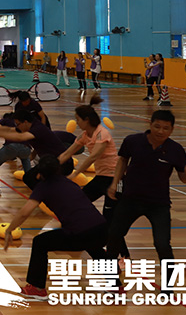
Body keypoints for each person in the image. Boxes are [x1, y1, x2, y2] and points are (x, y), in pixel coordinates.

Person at [1, 154, 110, 300]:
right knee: (93, 245)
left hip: (79, 232)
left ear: (39, 173)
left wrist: (9, 230)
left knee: (40, 242)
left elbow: (24, 213)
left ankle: (37, 288)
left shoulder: (43, 187)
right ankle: (116, 285)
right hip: (102, 228)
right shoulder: (69, 182)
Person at [106, 110, 186, 266]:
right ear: (150, 125)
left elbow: (183, 178)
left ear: (172, 130)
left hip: (158, 204)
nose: (161, 131)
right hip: (130, 200)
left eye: (166, 128)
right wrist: (115, 183)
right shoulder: (133, 141)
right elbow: (123, 160)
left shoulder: (175, 149)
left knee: (162, 244)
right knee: (114, 237)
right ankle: (110, 277)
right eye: (157, 126)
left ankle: (169, 282)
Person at [58, 96, 129, 260]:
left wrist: (75, 173)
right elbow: (67, 153)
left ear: (87, 120)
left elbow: (93, 157)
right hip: (101, 178)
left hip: (115, 179)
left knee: (111, 220)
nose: (76, 123)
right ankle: (79, 233)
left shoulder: (102, 134)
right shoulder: (85, 135)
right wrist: (51, 167)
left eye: (78, 119)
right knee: (78, 203)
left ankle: (123, 255)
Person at [0, 110, 70, 194]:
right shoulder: (28, 127)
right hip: (50, 162)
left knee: (35, 179)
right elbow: (11, 130)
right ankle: (46, 195)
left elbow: (20, 138)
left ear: (25, 122)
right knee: (29, 177)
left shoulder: (37, 128)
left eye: (18, 124)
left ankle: (50, 194)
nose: (17, 127)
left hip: (62, 163)